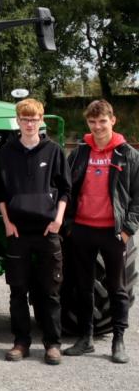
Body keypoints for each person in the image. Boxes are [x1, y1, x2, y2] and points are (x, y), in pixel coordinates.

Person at [63, 99, 139, 364]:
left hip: (113, 233)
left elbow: (136, 198)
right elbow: (67, 188)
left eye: (102, 121)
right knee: (83, 288)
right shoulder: (80, 152)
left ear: (113, 120)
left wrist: (128, 229)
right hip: (82, 230)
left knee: (117, 288)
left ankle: (118, 341)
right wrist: (69, 226)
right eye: (92, 122)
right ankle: (85, 339)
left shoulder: (128, 154)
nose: (97, 127)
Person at [0, 99, 70, 365]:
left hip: (47, 230)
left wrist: (58, 220)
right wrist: (7, 221)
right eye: (24, 119)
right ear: (18, 121)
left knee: (50, 290)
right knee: (18, 290)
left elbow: (64, 189)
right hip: (17, 231)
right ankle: (21, 342)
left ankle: (52, 344)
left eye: (33, 119)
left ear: (41, 120)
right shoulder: (7, 151)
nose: (29, 124)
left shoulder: (54, 151)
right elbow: (1, 191)